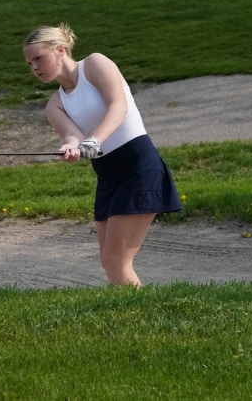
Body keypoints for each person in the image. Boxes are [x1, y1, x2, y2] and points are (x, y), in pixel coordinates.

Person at [23, 23, 182, 287]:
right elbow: (72, 136)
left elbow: (118, 106)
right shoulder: (54, 106)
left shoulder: (94, 65)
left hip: (138, 167)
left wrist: (94, 139)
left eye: (39, 58)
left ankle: (143, 318)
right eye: (29, 63)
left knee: (116, 259)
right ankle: (133, 317)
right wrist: (71, 147)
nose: (35, 67)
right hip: (108, 177)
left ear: (60, 50)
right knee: (109, 262)